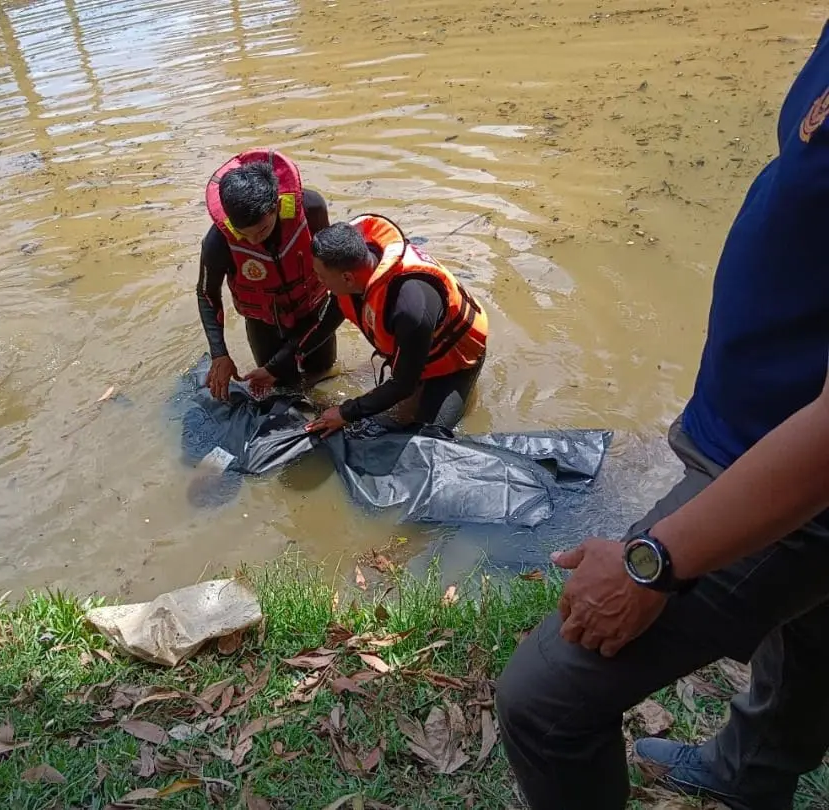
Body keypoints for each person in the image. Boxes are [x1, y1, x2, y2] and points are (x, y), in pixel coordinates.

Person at [495, 19, 829, 810]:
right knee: (812, 627)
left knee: (546, 698)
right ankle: (751, 776)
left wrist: (654, 560)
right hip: (759, 422)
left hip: (790, 467)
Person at [286, 214, 488, 437]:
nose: (318, 281)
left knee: (429, 436)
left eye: (321, 276)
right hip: (414, 347)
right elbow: (323, 326)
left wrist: (346, 412)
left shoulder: (409, 309)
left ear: (347, 278)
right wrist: (275, 368)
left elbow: (403, 384)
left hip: (454, 363)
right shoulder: (354, 275)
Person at [199, 148, 337, 400]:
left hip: (313, 311)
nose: (252, 240)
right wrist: (219, 353)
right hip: (263, 323)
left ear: (275, 207)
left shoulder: (311, 209)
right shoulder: (218, 241)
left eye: (260, 231)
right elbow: (207, 295)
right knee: (280, 388)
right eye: (244, 234)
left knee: (325, 376)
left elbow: (333, 267)